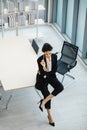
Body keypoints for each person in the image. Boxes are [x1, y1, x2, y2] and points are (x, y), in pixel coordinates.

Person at [35, 43, 64, 127]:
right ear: (43, 52)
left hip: (50, 76)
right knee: (47, 94)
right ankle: (50, 116)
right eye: (46, 53)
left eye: (49, 53)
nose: (48, 55)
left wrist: (45, 71)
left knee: (60, 87)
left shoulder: (54, 56)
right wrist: (43, 67)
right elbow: (42, 74)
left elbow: (54, 70)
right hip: (42, 79)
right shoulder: (40, 60)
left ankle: (43, 101)